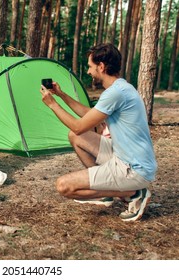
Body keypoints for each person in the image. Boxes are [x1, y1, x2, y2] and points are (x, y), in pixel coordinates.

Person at [39, 43, 157, 222]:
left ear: (101, 67)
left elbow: (79, 125)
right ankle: (106, 191)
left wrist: (52, 105)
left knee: (64, 186)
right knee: (75, 137)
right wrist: (61, 95)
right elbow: (89, 116)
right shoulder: (121, 88)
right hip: (126, 157)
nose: (88, 71)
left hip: (133, 168)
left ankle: (133, 191)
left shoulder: (115, 93)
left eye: (90, 67)